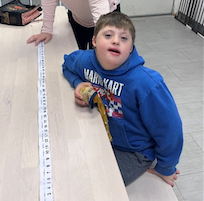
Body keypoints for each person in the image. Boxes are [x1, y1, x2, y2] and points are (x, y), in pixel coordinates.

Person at [62, 12, 183, 187]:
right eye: (108, 35)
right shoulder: (86, 60)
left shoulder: (147, 84)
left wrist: (166, 167)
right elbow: (67, 64)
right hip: (105, 134)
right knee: (70, 166)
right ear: (94, 41)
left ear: (131, 48)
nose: (116, 41)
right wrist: (78, 83)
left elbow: (170, 129)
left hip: (135, 151)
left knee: (97, 186)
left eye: (124, 38)